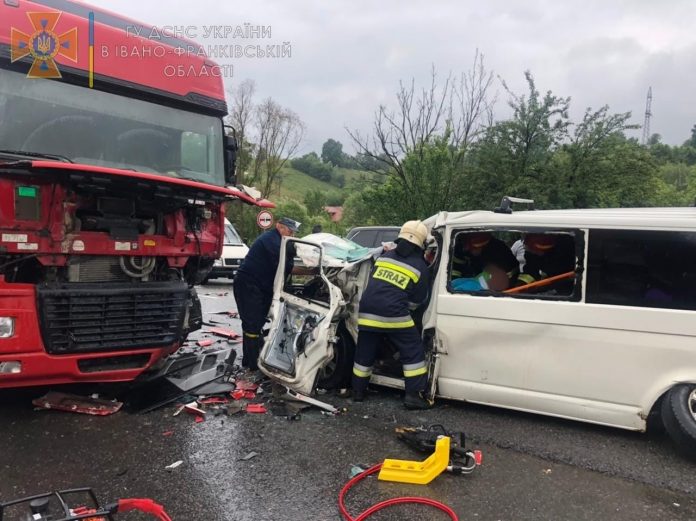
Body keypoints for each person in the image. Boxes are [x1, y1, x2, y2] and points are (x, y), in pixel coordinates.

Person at [351, 220, 433, 410]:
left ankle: (358, 392)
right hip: (394, 313)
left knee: (365, 350)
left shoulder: (384, 257)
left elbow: (374, 283)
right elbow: (418, 300)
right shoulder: (420, 266)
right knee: (412, 348)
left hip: (367, 311)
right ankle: (413, 396)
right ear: (420, 244)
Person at [232, 217, 301, 370]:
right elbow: (286, 266)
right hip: (249, 285)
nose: (292, 235)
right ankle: (253, 364)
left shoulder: (279, 240)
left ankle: (250, 360)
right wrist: (312, 270)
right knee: (252, 324)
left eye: (293, 233)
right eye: (290, 231)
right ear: (280, 227)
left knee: (255, 323)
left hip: (259, 286)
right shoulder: (272, 241)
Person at [451, 232, 518, 287]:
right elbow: (455, 269)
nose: (466, 249)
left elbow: (498, 278)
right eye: (465, 244)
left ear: (483, 245)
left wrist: (472, 286)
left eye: (472, 247)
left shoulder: (497, 251)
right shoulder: (460, 248)